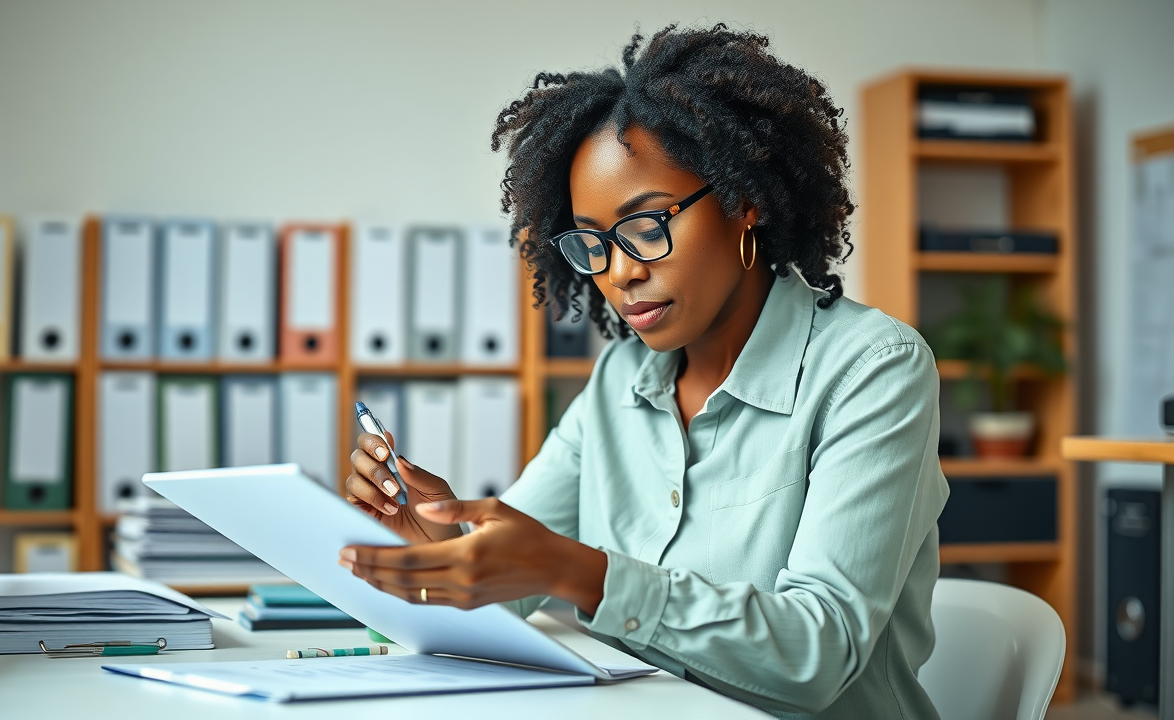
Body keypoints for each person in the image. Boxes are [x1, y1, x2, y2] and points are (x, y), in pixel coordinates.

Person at [340, 25, 948, 720]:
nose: (621, 271)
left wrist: (582, 573)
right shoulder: (618, 384)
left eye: (648, 225)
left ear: (742, 200)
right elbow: (517, 580)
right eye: (593, 243)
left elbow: (819, 651)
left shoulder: (873, 370)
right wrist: (434, 546)